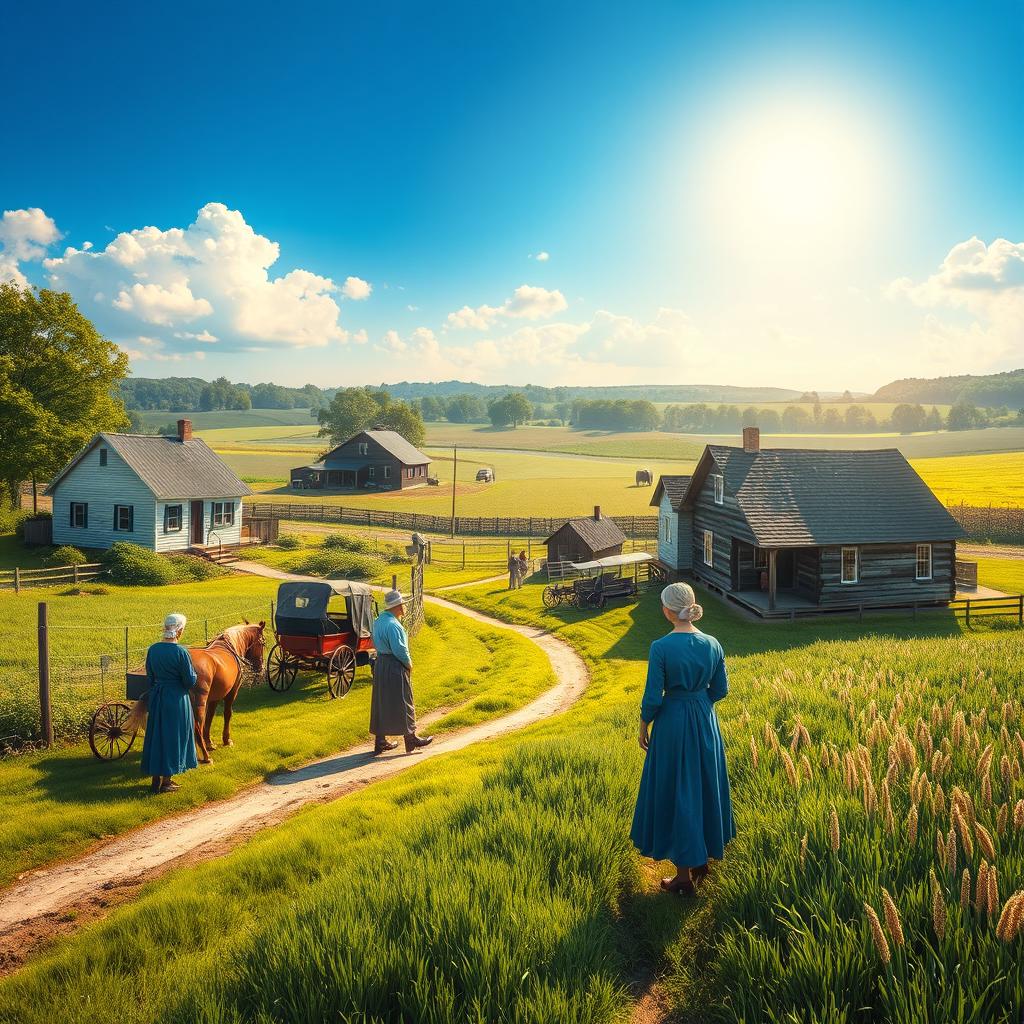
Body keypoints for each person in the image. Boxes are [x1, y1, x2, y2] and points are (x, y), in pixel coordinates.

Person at [630, 582, 735, 896]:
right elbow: (721, 690)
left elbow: (652, 697)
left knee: (679, 790)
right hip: (705, 721)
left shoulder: (661, 647)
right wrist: (699, 703)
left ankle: (683, 878)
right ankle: (702, 858)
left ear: (667, 611)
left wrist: (643, 725)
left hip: (673, 724)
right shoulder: (713, 643)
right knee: (703, 786)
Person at [140, 613, 198, 794]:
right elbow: (189, 680)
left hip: (158, 697)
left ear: (165, 628)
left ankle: (155, 779)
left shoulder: (153, 649)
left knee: (157, 735)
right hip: (176, 699)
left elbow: (150, 676)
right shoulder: (181, 652)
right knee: (173, 737)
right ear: (179, 631)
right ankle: (166, 781)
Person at [370, 589, 433, 755]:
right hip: (394, 664)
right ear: (397, 607)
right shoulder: (393, 625)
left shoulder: (378, 621)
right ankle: (411, 740)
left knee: (381, 701)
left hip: (381, 663)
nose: (405, 607)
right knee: (404, 700)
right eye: (403, 604)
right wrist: (409, 664)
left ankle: (380, 741)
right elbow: (400, 650)